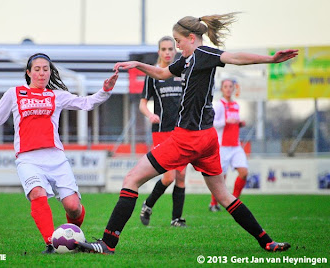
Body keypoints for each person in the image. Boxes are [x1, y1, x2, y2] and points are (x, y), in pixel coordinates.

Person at [76, 13, 297, 255]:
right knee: (223, 195)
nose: (176, 46)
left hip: (188, 138)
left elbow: (234, 57)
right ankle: (267, 241)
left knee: (131, 179)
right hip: (207, 139)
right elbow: (161, 73)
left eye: (177, 41)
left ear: (191, 38)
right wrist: (138, 65)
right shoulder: (189, 59)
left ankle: (107, 244)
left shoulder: (204, 54)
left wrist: (271, 59)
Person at [0, 53, 119, 254]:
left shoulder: (56, 96)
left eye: (45, 69)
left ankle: (71, 236)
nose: (41, 73)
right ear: (28, 72)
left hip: (56, 158)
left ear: (50, 72)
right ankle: (51, 243)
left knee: (73, 207)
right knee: (37, 193)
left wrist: (105, 90)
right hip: (28, 158)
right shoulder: (15, 94)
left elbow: (87, 103)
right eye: (37, 69)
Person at [138, 36, 187, 227]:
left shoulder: (182, 72)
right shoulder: (153, 74)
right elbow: (143, 104)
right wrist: (150, 115)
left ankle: (176, 219)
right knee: (169, 176)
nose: (167, 52)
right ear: (159, 51)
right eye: (163, 49)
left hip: (182, 131)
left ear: (175, 51)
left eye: (170, 49)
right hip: (161, 131)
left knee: (181, 175)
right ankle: (148, 204)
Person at [209, 79, 248, 212]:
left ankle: (234, 202)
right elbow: (213, 123)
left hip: (235, 145)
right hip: (222, 146)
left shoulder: (236, 105)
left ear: (233, 89)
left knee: (244, 173)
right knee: (221, 178)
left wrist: (240, 124)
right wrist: (226, 121)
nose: (228, 89)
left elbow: (234, 124)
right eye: (225, 86)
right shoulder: (219, 105)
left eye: (230, 86)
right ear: (222, 88)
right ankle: (213, 203)